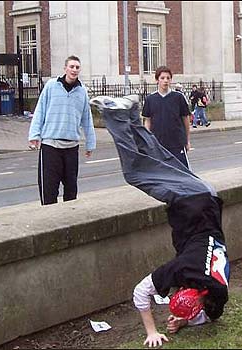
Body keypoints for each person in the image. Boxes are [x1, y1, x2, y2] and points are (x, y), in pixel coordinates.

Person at [91, 95, 230, 348]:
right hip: (189, 201)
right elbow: (140, 293)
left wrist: (184, 319)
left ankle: (132, 112)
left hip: (207, 195)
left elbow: (212, 315)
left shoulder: (218, 289)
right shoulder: (183, 269)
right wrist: (152, 331)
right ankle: (113, 113)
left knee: (157, 158)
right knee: (135, 173)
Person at [28, 55, 96, 205]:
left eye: (77, 67)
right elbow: (40, 111)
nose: (74, 70)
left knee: (71, 190)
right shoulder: (52, 86)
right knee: (49, 189)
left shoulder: (82, 91)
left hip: (71, 147)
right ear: (65, 68)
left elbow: (87, 118)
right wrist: (34, 134)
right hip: (50, 146)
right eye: (71, 66)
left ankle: (69, 221)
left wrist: (91, 143)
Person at [142, 66, 191, 169]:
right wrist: (148, 141)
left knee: (182, 172)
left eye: (168, 78)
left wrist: (187, 140)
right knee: (161, 172)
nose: (165, 81)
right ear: (157, 80)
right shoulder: (150, 99)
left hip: (177, 143)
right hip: (158, 144)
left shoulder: (178, 97)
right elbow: (147, 121)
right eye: (162, 78)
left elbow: (186, 120)